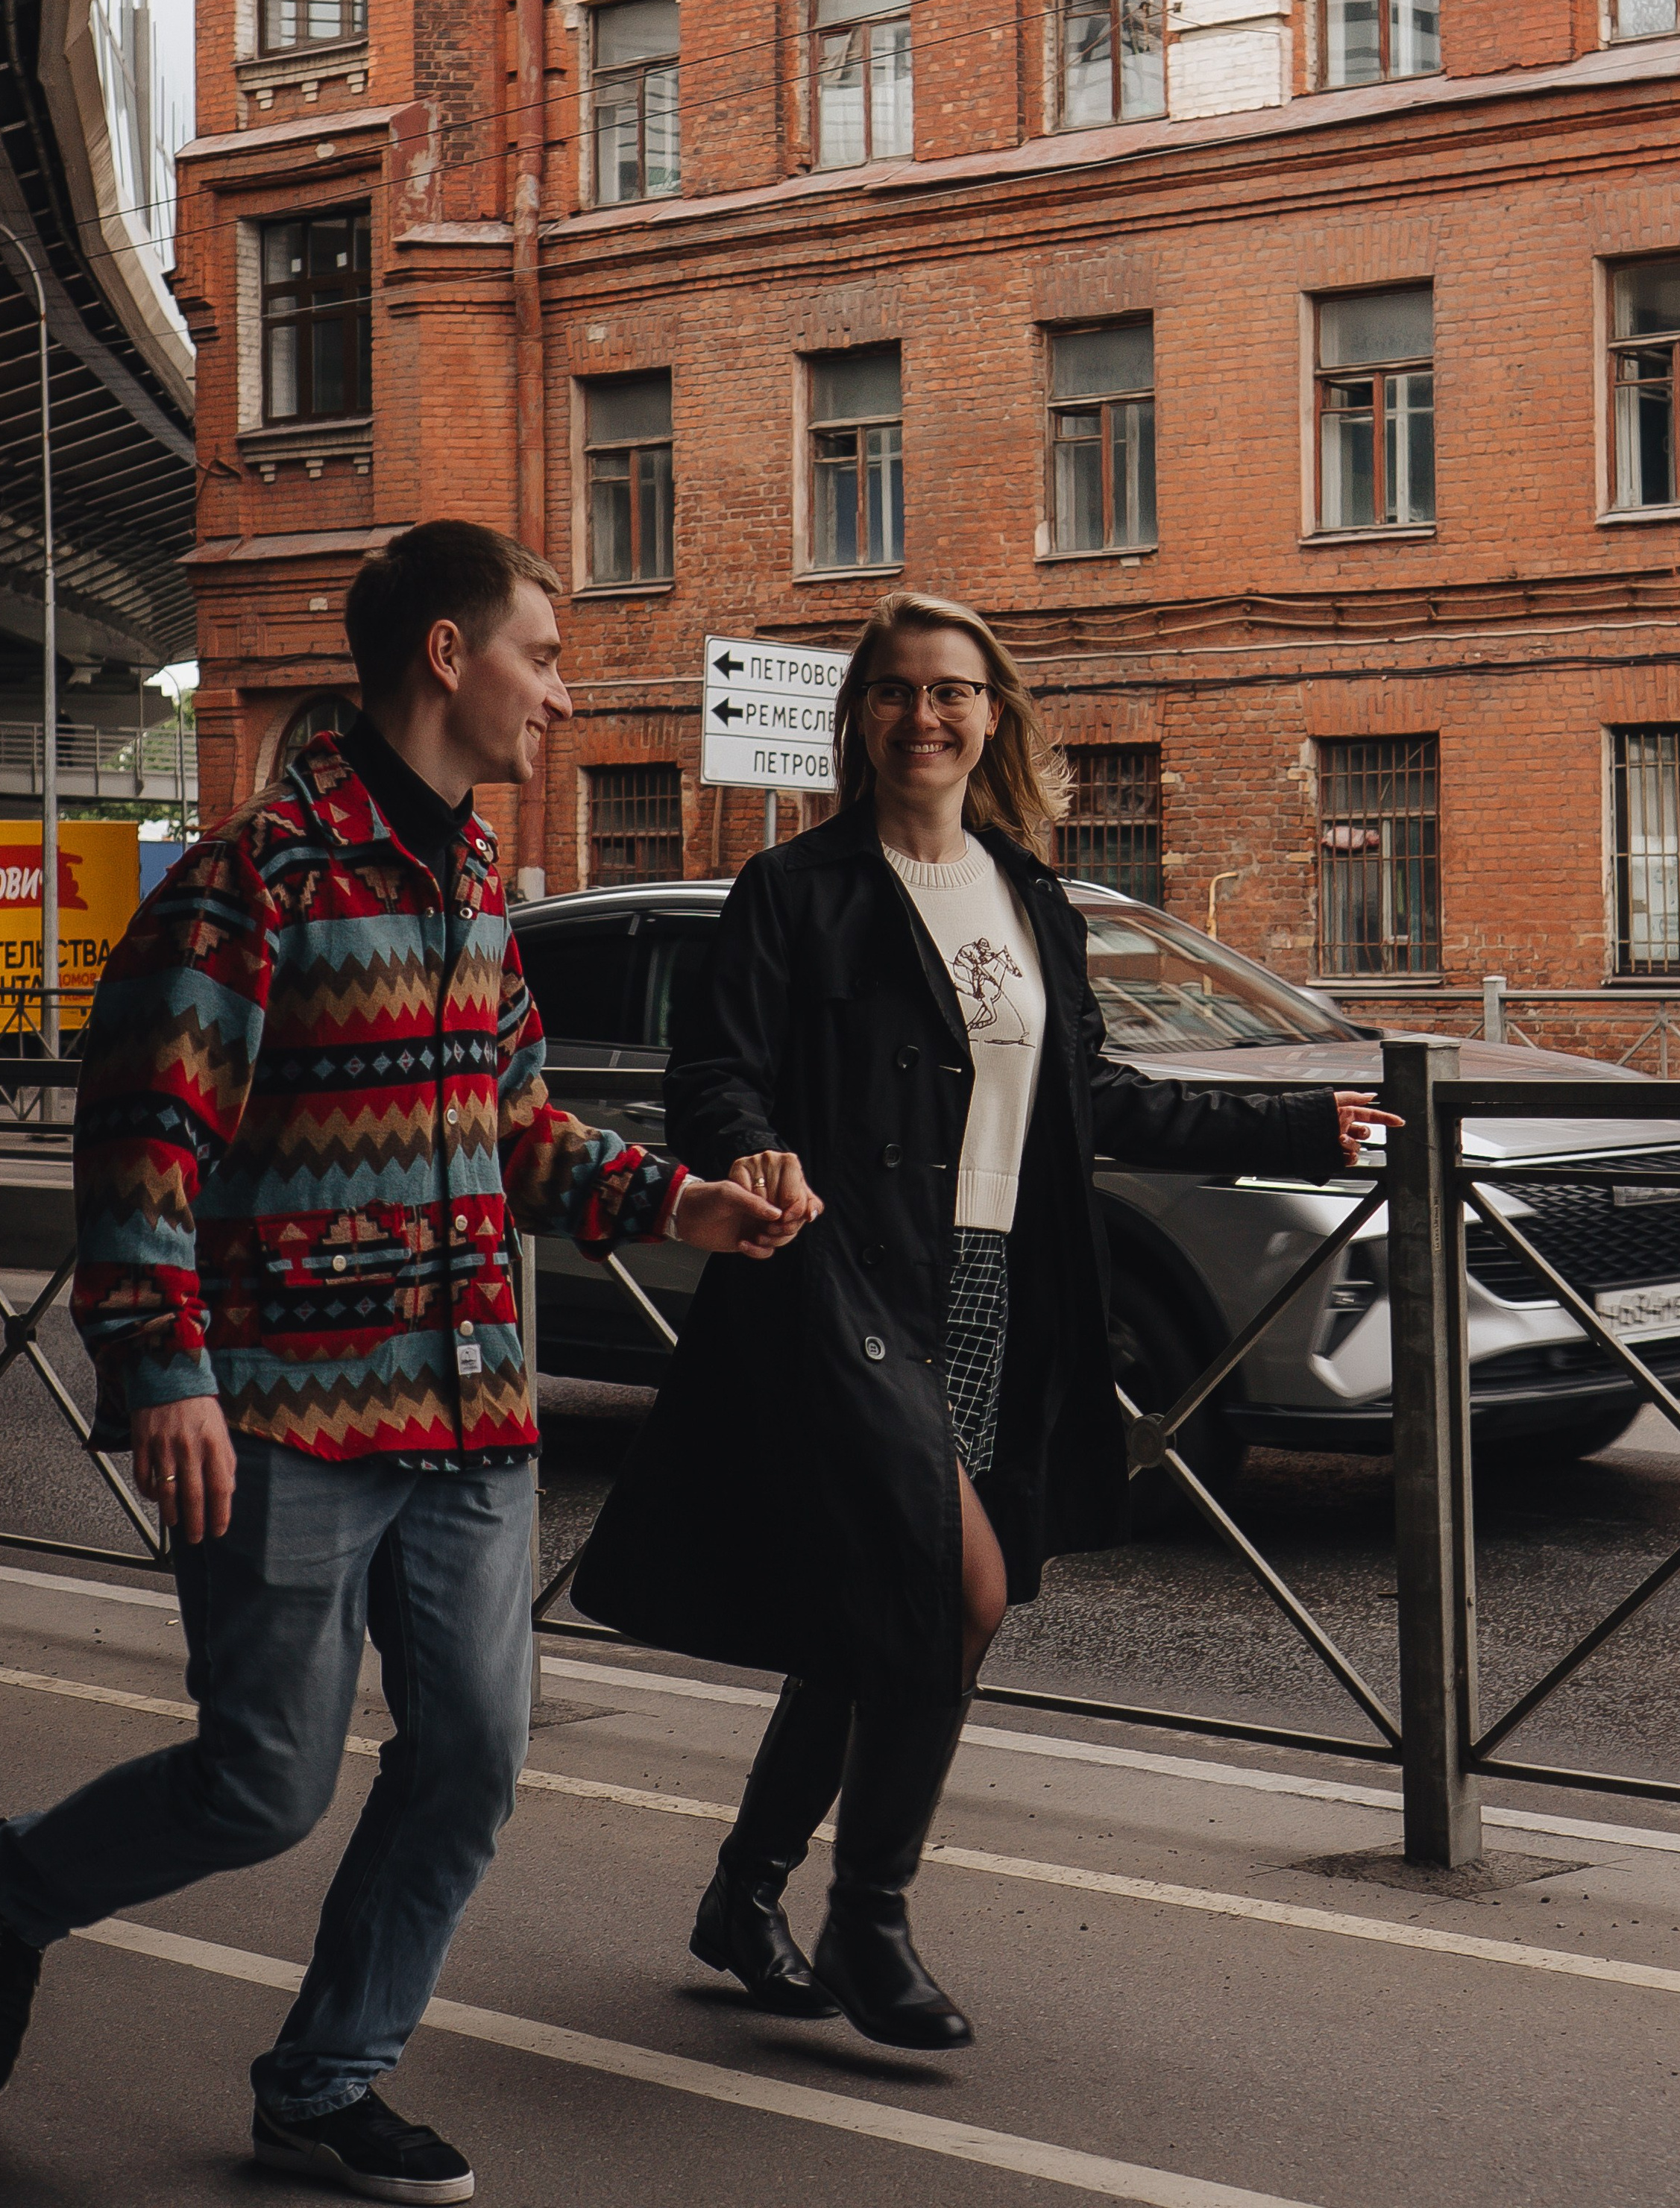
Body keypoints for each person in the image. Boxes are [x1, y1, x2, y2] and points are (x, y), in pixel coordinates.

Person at [0, 520, 799, 2204]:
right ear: (449, 656)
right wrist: (168, 1373)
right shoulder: (257, 879)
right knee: (262, 1782)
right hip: (284, 1417)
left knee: (471, 1765)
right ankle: (11, 1894)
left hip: (470, 1423)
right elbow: (147, 1145)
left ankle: (327, 2080)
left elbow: (507, 1125)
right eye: (545, 656)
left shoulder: (475, 882)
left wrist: (679, 1202)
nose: (562, 698)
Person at [570, 588, 1396, 2052]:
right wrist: (749, 1150)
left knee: (885, 1606)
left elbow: (1096, 1101)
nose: (924, 717)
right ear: (859, 719)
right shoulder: (795, 890)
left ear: (989, 716)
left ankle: (743, 1894)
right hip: (843, 1280)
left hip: (998, 1285)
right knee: (959, 1591)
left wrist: (1294, 1119)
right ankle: (867, 1919)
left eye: (951, 691)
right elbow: (716, 1072)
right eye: (894, 691)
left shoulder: (1030, 897)